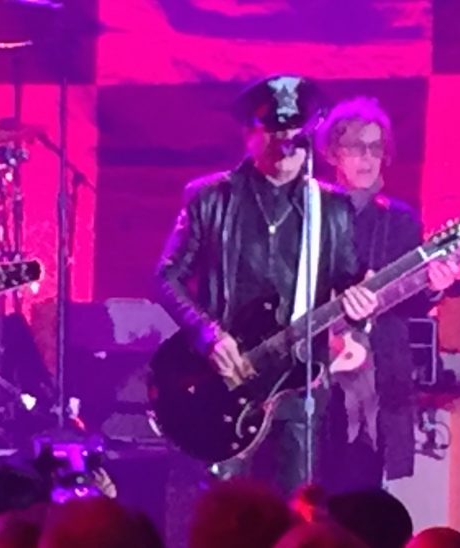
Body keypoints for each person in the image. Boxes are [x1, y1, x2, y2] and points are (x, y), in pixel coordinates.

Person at [155, 74, 378, 497]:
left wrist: (361, 310)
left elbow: (349, 283)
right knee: (220, 513)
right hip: (223, 377)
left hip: (298, 384)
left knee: (297, 512)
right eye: (272, 132)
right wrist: (208, 336)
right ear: (249, 134)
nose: (284, 144)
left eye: (294, 134)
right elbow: (165, 275)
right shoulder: (210, 198)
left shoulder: (332, 207)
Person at [315, 96, 456, 492]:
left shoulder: (398, 219)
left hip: (375, 376)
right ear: (332, 153)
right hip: (315, 374)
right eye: (356, 146)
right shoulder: (311, 213)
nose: (367, 157)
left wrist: (433, 288)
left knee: (362, 489)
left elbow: (408, 302)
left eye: (376, 148)